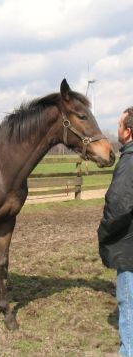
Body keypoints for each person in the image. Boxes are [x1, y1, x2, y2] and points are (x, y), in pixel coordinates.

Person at [98, 106, 133, 357]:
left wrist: (104, 232)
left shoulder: (130, 163)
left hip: (130, 251)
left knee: (129, 307)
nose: (117, 130)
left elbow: (119, 206)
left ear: (128, 132)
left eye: (120, 126)